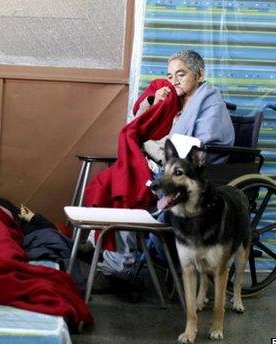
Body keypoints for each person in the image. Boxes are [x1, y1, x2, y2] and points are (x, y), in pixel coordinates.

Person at [85, 50, 235, 293]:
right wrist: (155, 102)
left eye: (181, 74)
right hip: (167, 166)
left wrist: (163, 152)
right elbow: (148, 128)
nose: (174, 80)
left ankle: (119, 266)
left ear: (199, 74)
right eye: (170, 75)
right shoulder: (177, 101)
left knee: (130, 193)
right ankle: (101, 245)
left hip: (192, 174)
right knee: (113, 182)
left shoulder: (210, 102)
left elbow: (204, 144)